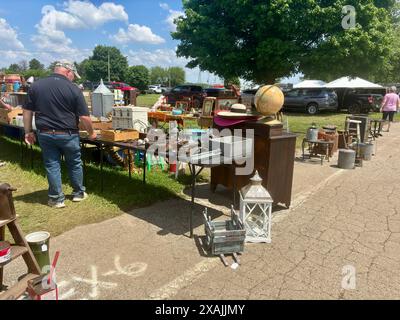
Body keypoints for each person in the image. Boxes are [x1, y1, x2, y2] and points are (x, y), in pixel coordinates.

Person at [23, 60, 96, 209]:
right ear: (68, 72)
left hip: (46, 133)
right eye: (73, 75)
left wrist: (28, 131)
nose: (73, 78)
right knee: (74, 163)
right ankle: (78, 193)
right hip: (68, 134)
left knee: (52, 165)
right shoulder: (74, 89)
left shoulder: (36, 86)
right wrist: (92, 133)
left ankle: (56, 199)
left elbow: (27, 111)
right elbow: (84, 117)